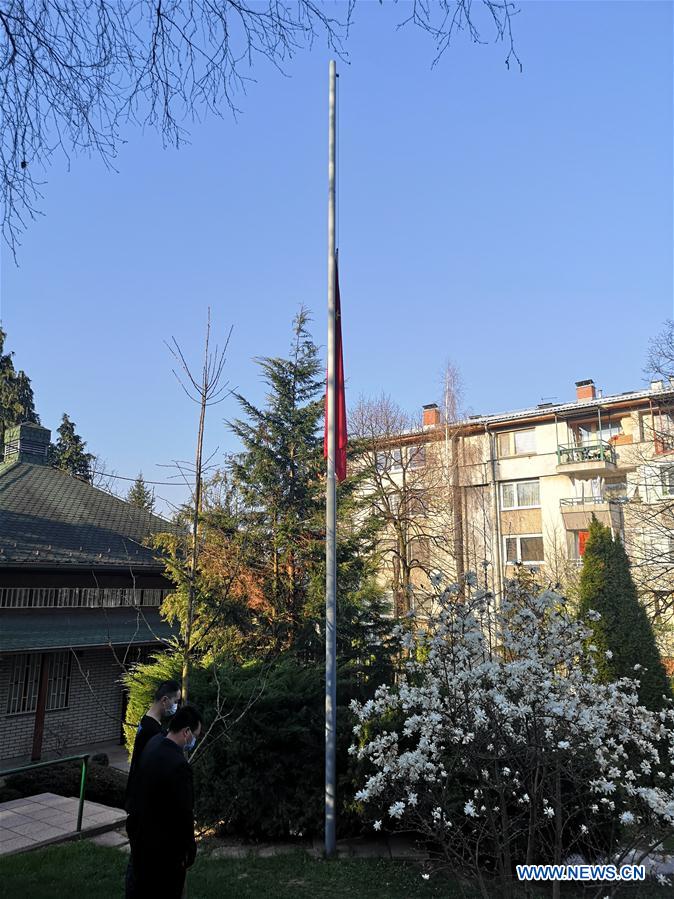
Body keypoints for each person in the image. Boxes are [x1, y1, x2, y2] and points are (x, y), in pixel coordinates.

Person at [125, 703, 203, 899]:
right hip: (164, 853)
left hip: (142, 842)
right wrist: (188, 850)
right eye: (195, 736)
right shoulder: (178, 765)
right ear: (186, 732)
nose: (194, 741)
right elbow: (184, 813)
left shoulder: (154, 743)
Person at [124, 679, 182, 811]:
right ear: (165, 700)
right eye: (175, 702)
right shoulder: (152, 731)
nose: (176, 706)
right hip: (143, 800)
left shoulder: (147, 721)